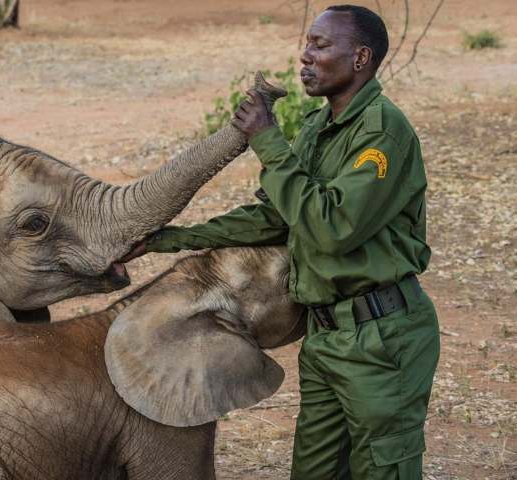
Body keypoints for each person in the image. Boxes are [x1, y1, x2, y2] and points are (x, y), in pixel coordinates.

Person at [121, 4, 439, 479]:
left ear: (360, 58)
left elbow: (333, 227)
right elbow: (276, 216)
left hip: (382, 340)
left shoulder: (383, 133)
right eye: (306, 44)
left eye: (320, 45)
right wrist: (170, 238)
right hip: (326, 336)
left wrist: (268, 141)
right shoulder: (317, 126)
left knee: (383, 470)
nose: (305, 56)